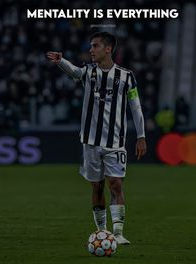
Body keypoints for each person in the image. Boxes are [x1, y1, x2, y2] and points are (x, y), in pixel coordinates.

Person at [46, 31, 147, 245]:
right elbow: (74, 71)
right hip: (90, 142)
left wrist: (141, 136)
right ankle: (102, 232)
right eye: (91, 46)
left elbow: (135, 107)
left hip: (116, 142)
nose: (91, 50)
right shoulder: (88, 72)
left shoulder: (126, 76)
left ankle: (118, 233)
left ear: (108, 49)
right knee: (97, 187)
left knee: (116, 184)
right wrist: (61, 61)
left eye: (95, 46)